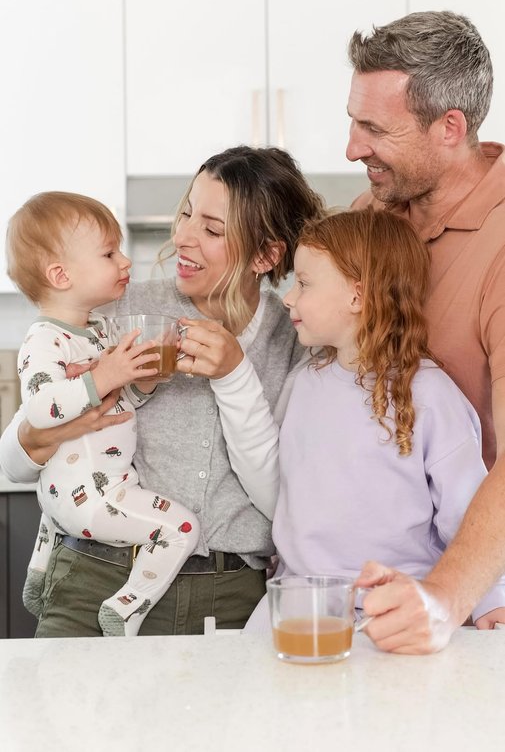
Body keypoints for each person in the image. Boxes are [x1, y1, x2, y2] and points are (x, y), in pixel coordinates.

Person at [0, 146, 324, 637]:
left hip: (230, 598)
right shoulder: (116, 307)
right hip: (94, 581)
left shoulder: (297, 338)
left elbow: (288, 500)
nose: (182, 237)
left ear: (266, 255)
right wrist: (35, 436)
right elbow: (15, 459)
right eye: (187, 214)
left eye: (212, 229)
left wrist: (235, 374)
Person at [244, 207, 505, 634]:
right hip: (297, 606)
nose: (288, 297)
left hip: (395, 611)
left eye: (304, 283)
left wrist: (492, 599)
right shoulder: (303, 383)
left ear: (357, 296)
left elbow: (466, 509)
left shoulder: (430, 395)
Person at [345, 10, 505, 652]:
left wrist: (445, 597)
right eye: (353, 121)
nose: (352, 149)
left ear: (450, 128)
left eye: (375, 129)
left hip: (480, 591)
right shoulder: (372, 214)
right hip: (380, 584)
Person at [6, 191, 200, 636]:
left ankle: (38, 576)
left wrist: (141, 382)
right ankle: (125, 608)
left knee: (57, 510)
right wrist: (103, 376)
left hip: (63, 498)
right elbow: (40, 408)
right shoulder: (44, 339)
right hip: (94, 498)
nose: (125, 261)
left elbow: (115, 404)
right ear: (61, 275)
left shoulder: (96, 330)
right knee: (182, 528)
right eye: (109, 253)